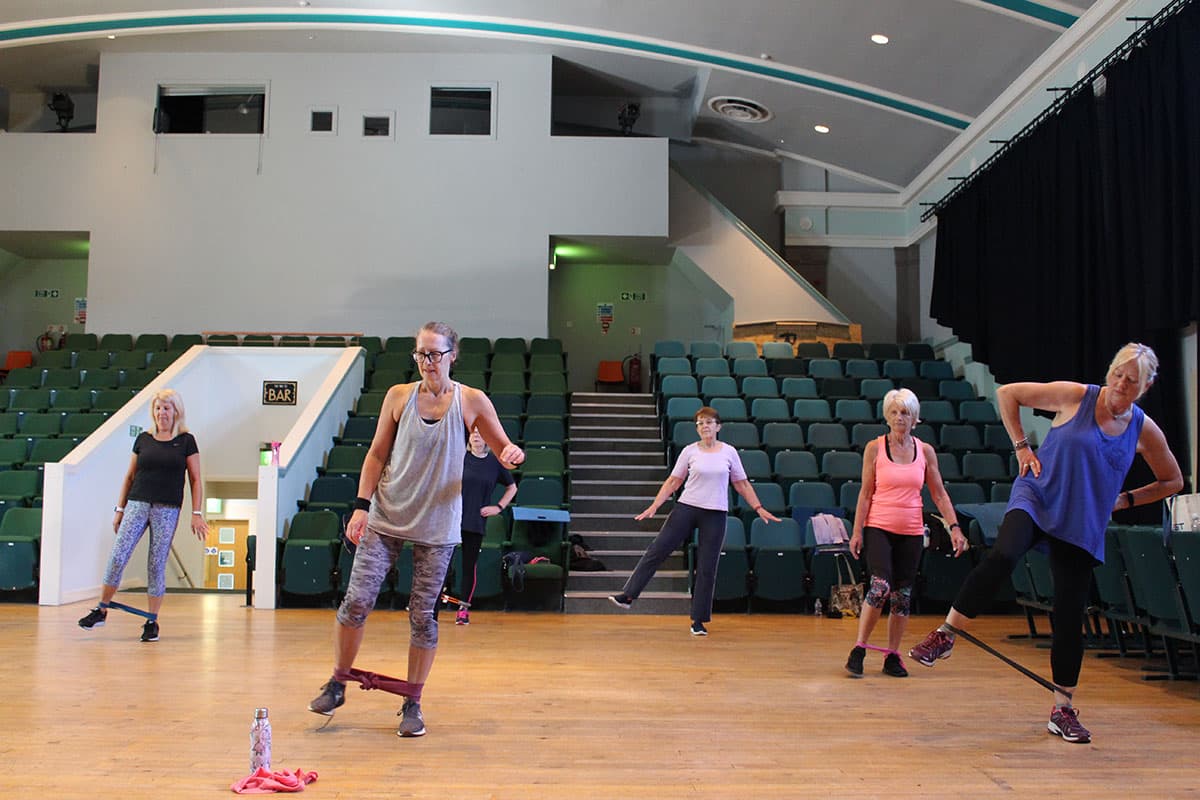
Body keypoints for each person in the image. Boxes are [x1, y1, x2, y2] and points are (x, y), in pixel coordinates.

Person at [908, 343, 1183, 744]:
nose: (1122, 384)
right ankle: (947, 634)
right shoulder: (1077, 396)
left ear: (1146, 385)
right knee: (1004, 554)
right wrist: (1022, 445)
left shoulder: (1143, 428)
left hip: (1083, 518)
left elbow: (1172, 480)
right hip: (1038, 495)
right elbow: (1009, 394)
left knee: (1070, 613)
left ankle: (1063, 708)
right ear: (1109, 372)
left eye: (1133, 380)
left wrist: (1124, 501)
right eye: (1118, 374)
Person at [308, 322, 524, 737]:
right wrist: (360, 507)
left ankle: (413, 702)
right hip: (387, 517)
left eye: (436, 354)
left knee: (422, 616)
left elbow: (504, 451)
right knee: (356, 602)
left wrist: (513, 454)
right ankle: (337, 682)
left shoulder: (472, 400)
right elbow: (374, 456)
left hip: (438, 527)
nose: (428, 362)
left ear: (452, 355)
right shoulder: (398, 396)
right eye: (421, 354)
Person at [609, 406, 781, 636]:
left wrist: (758, 507)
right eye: (700, 423)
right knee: (658, 549)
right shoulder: (690, 451)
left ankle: (698, 620)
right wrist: (654, 506)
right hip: (687, 508)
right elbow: (673, 482)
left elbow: (742, 484)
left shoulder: (728, 452)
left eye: (709, 422)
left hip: (715, 512)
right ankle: (629, 595)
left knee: (707, 567)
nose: (704, 426)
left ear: (718, 426)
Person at [845, 388, 967, 679]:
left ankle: (892, 655)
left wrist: (955, 527)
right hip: (878, 526)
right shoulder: (875, 448)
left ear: (915, 418)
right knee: (879, 587)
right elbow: (865, 494)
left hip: (911, 530)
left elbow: (938, 494)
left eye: (905, 413)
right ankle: (859, 648)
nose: (900, 418)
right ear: (887, 416)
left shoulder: (924, 451)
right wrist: (857, 531)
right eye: (895, 413)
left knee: (902, 595)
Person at [77, 389, 208, 642]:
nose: (162, 413)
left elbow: (195, 479)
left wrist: (197, 513)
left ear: (176, 411)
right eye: (158, 408)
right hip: (137, 503)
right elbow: (129, 476)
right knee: (118, 555)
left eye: (166, 408)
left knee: (156, 563)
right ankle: (101, 609)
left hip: (167, 508)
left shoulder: (186, 440)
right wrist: (120, 509)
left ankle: (151, 622)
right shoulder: (143, 439)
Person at [453, 424, 518, 624]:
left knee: (469, 565)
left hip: (475, 520)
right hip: (452, 518)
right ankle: (432, 606)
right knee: (442, 564)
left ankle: (463, 609)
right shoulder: (458, 457)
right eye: (473, 433)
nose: (476, 436)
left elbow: (512, 487)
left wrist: (498, 507)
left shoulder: (494, 462)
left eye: (480, 434)